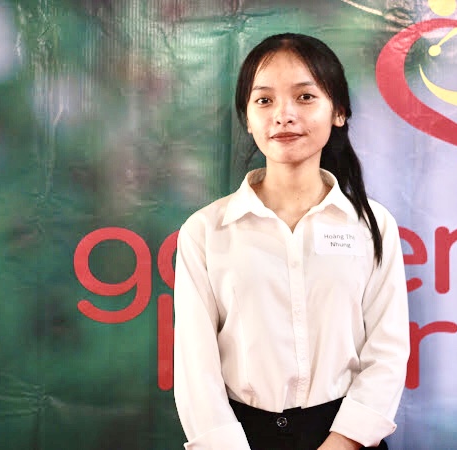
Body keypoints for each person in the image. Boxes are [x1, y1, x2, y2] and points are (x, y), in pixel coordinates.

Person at [173, 33, 410, 450]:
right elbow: (196, 368)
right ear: (247, 118)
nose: (283, 115)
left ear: (338, 111)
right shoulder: (206, 231)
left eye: (305, 97)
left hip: (345, 437)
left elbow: (387, 353)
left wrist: (342, 443)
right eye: (264, 100)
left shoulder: (373, 225)